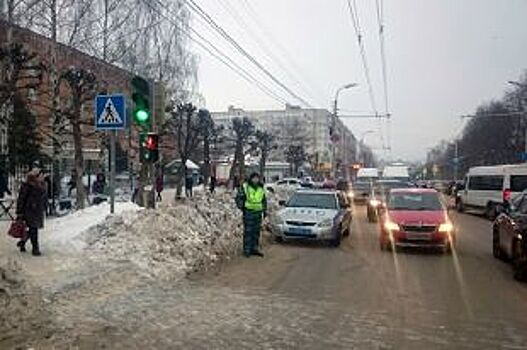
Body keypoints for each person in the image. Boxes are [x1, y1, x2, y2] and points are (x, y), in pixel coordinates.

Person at [16, 167, 47, 256]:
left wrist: (45, 207)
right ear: (35, 176)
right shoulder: (27, 185)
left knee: (33, 229)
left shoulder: (42, 184)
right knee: (34, 229)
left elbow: (43, 198)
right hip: (29, 210)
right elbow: (21, 199)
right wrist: (20, 212)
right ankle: (35, 249)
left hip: (38, 210)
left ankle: (23, 241)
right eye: (40, 175)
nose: (42, 176)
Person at [236, 172, 267, 257]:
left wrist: (265, 211)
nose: (255, 180)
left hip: (258, 212)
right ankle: (247, 249)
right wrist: (242, 207)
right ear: (251, 179)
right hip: (249, 212)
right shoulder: (245, 187)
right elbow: (239, 197)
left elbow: (264, 200)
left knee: (256, 232)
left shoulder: (261, 188)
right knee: (248, 231)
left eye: (257, 178)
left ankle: (255, 248)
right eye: (254, 178)